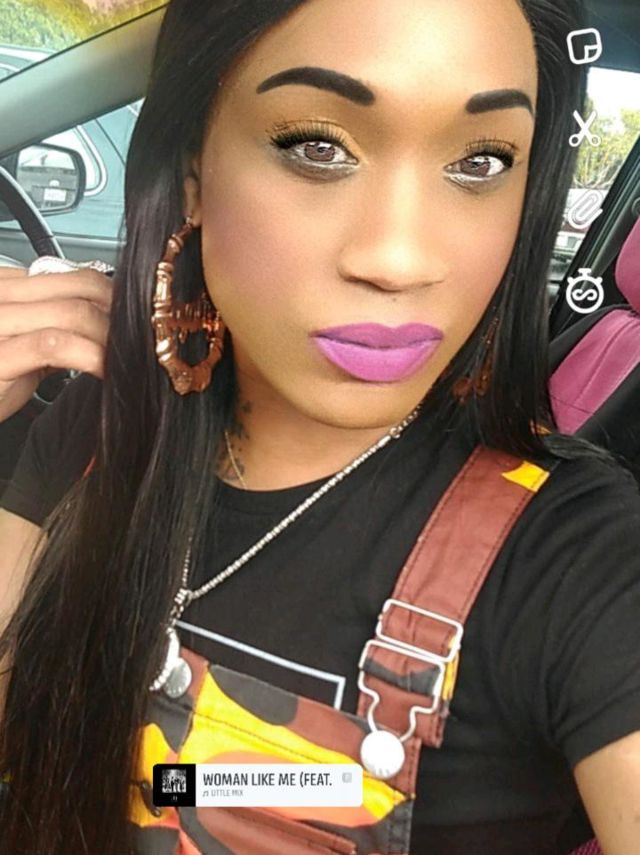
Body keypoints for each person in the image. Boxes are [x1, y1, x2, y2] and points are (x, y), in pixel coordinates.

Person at [0, 0, 639, 852]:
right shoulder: (99, 430)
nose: (399, 259)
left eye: (480, 161)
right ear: (193, 169)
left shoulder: (575, 555)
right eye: (317, 146)